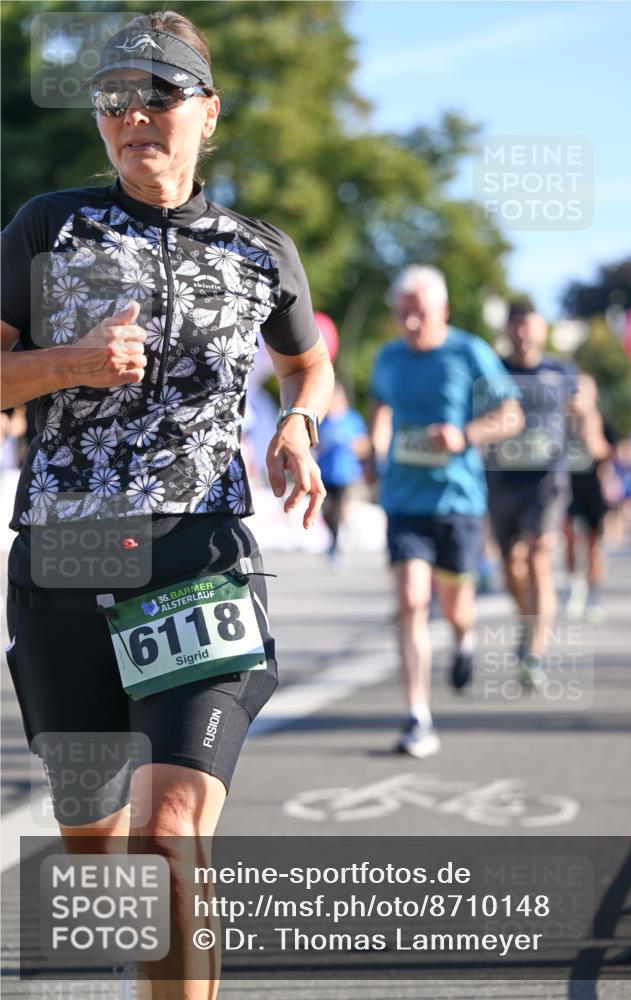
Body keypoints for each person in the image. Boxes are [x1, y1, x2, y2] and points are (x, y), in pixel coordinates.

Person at [1, 11, 333, 999]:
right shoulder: (45, 227)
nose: (133, 114)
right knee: (99, 844)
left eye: (159, 93)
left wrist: (299, 425)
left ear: (208, 111)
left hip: (200, 564)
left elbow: (310, 366)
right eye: (113, 99)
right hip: (63, 564)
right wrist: (72, 364)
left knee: (168, 830)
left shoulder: (258, 249)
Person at [369, 265, 523, 758]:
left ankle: (464, 639)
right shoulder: (388, 357)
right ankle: (418, 716)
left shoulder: (469, 351)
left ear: (443, 312)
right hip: (403, 500)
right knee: (412, 600)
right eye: (403, 315)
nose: (411, 325)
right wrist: (375, 450)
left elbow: (511, 416)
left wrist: (466, 436)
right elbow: (381, 410)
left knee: (456, 606)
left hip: (457, 500)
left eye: (421, 315)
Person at [486, 302, 605, 686]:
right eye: (517, 326)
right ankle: (528, 619)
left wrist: (588, 423)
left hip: (547, 480)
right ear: (508, 330)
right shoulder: (493, 369)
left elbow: (585, 412)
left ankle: (534, 654)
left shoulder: (562, 372)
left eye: (530, 326)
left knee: (538, 559)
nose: (523, 333)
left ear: (542, 331)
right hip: (503, 480)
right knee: (512, 567)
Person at [563, 376, 615, 623]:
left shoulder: (601, 422)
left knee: (594, 544)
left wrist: (589, 429)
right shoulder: (562, 420)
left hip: (593, 488)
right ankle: (574, 587)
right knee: (571, 537)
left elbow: (606, 453)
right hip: (567, 488)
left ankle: (594, 595)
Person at [316, 380, 370, 564]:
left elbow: (364, 445)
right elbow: (314, 444)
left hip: (346, 474)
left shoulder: (352, 419)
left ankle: (336, 547)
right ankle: (335, 538)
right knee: (326, 511)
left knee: (338, 509)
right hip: (325, 473)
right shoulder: (322, 421)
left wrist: (356, 447)